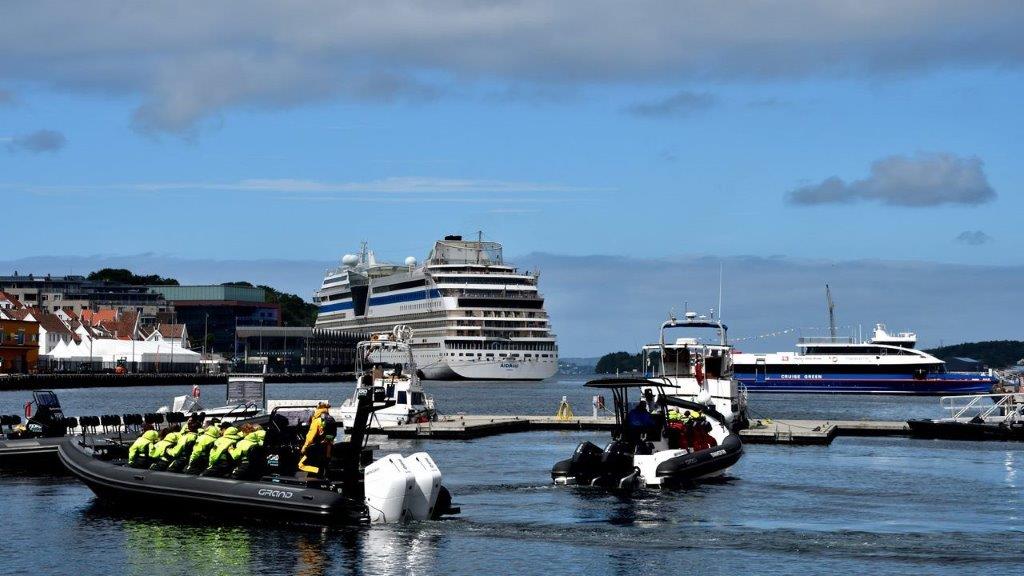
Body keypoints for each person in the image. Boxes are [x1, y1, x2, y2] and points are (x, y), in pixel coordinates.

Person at [298, 402, 337, 477]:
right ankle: (323, 474)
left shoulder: (317, 420)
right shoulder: (331, 419)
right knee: (324, 464)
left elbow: (310, 438)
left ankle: (315, 473)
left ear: (318, 409)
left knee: (301, 465)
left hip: (317, 448)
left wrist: (304, 447)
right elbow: (333, 434)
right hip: (328, 447)